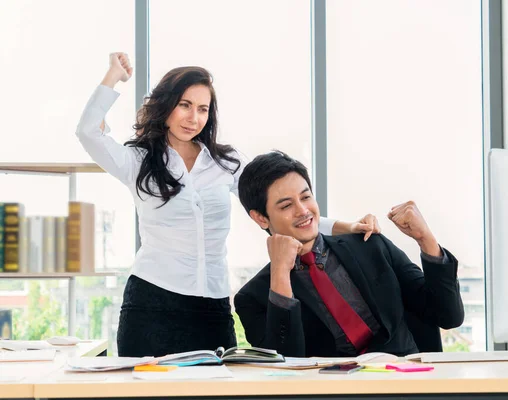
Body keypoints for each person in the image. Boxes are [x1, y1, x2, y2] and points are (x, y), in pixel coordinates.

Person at [76, 53, 381, 357]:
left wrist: (347, 227)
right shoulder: (138, 161)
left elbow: (280, 208)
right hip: (151, 302)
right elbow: (88, 132)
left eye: (202, 109)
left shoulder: (226, 162)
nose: (193, 117)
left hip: (213, 306)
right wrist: (114, 75)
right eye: (184, 105)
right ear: (165, 104)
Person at [234, 151, 464, 357]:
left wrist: (425, 239)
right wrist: (281, 273)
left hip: (401, 382)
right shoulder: (254, 297)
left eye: (305, 197)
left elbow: (448, 316)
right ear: (260, 218)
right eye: (286, 206)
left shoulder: (369, 246)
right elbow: (284, 365)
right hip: (331, 393)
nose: (303, 211)